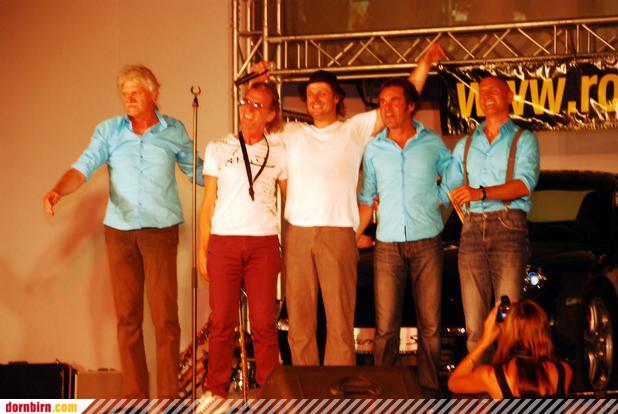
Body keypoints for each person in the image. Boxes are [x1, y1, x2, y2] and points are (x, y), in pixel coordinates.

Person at [251, 43, 445, 366]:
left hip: (339, 232)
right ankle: (307, 390)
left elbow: (402, 97)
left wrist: (424, 63)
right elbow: (260, 116)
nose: (315, 99)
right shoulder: (293, 132)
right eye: (310, 94)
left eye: (322, 93)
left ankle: (337, 390)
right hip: (298, 234)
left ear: (337, 98)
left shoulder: (354, 129)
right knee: (300, 323)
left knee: (340, 323)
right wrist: (260, 82)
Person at [43, 65, 203, 398]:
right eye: (124, 93)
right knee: (127, 319)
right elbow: (83, 167)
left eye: (135, 92)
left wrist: (234, 177)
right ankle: (135, 399)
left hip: (160, 231)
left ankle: (169, 399)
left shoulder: (173, 130)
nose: (128, 99)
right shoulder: (110, 131)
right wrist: (58, 189)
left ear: (153, 94)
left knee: (165, 319)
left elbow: (199, 171)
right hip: (120, 232)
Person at [355, 77, 452, 395]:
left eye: (394, 101)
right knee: (385, 327)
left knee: (431, 325)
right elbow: (367, 195)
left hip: (427, 240)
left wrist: (438, 197)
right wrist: (355, 234)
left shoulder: (432, 142)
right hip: (387, 244)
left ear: (411, 106)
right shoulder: (374, 148)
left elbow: (453, 174)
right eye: (382, 102)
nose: (387, 108)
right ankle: (385, 391)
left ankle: (429, 391)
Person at [197, 82, 287, 398]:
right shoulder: (219, 147)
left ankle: (270, 392)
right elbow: (208, 202)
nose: (247, 109)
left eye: (257, 105)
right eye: (245, 102)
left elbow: (290, 201)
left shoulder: (279, 151)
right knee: (222, 322)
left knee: (263, 324)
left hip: (264, 243)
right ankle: (215, 392)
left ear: (271, 115)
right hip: (224, 242)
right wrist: (202, 249)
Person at [445, 76, 540, 360]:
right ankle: (481, 385)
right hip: (471, 229)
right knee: (475, 327)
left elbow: (524, 184)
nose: (486, 95)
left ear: (509, 96)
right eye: (481, 92)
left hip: (508, 225)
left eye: (493, 91)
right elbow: (447, 188)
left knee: (509, 320)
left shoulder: (523, 139)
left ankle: (509, 384)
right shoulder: (465, 144)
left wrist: (481, 193)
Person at [447, 299, 572, 398]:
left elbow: (453, 383)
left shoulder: (492, 376)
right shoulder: (564, 371)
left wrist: (484, 341)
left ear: (508, 333)